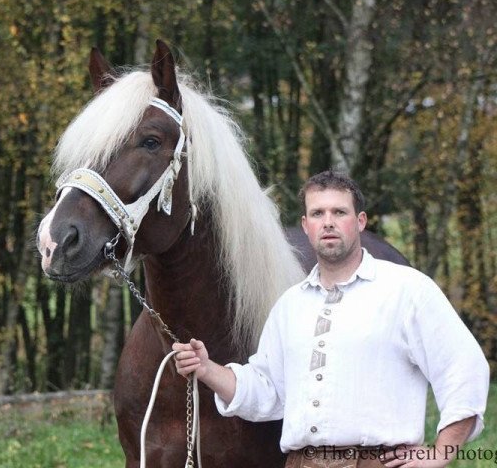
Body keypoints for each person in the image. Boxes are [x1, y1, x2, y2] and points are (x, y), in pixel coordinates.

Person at [173, 170, 490, 468]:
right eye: (317, 213)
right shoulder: (290, 305)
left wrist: (441, 451)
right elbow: (267, 390)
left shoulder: (407, 290)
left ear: (360, 221)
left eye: (339, 212)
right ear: (306, 225)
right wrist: (206, 369)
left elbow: (463, 367)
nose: (328, 222)